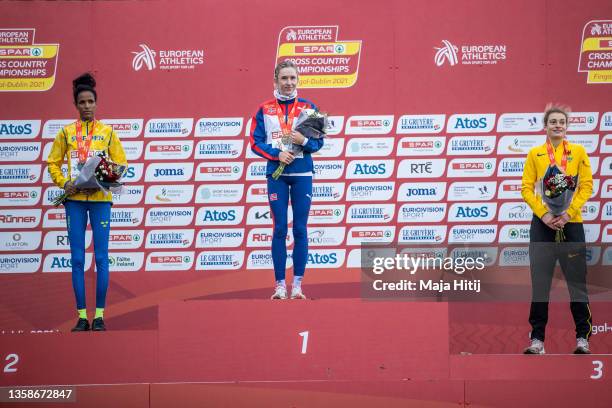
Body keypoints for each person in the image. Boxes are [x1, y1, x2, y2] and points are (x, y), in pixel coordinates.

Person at [47, 73, 127, 331]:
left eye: (90, 101)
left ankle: (100, 316)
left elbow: (121, 164)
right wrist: (64, 183)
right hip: (75, 202)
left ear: (96, 102)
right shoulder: (66, 133)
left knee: (102, 258)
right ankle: (82, 316)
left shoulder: (107, 132)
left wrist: (103, 179)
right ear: (76, 105)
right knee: (78, 259)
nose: (87, 106)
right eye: (82, 102)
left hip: (100, 200)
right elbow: (53, 163)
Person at [521, 105, 593, 354]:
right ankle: (537, 340)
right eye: (553, 122)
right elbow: (526, 189)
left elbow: (587, 187)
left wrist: (568, 213)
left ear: (567, 126)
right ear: (545, 125)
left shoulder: (579, 152)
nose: (557, 125)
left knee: (576, 283)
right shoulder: (535, 154)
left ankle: (583, 338)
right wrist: (544, 214)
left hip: (572, 224)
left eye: (561, 122)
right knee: (540, 284)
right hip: (542, 226)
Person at [249, 60, 324, 300]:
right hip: (277, 174)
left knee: (300, 229)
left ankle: (298, 286)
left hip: (302, 174)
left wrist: (303, 141)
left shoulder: (309, 107)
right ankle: (280, 286)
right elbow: (254, 142)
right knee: (280, 228)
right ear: (276, 81)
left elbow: (318, 143)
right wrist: (276, 153)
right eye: (284, 78)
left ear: (298, 80)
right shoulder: (264, 108)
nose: (289, 83)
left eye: (292, 78)